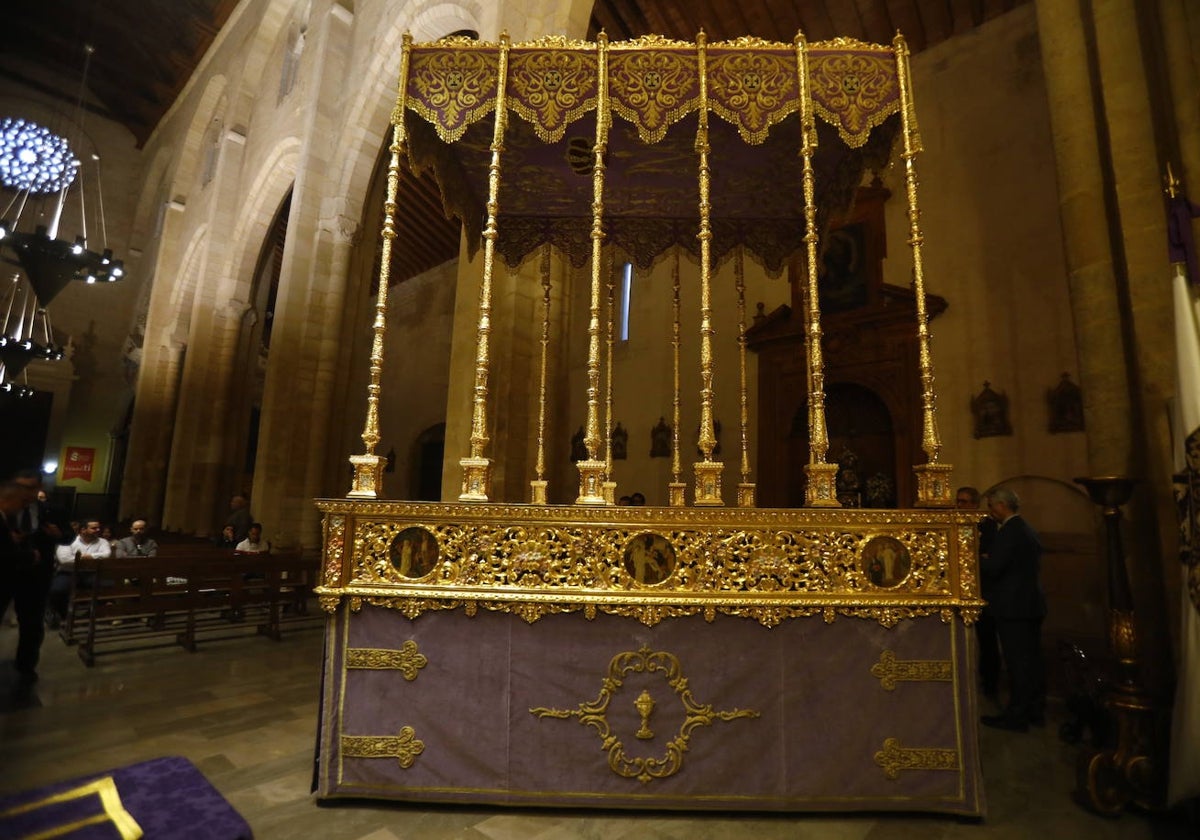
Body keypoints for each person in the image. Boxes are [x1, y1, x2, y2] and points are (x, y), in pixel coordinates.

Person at [979, 487, 1047, 731]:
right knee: (1031, 662)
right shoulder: (1026, 528)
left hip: (1014, 607)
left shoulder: (1010, 531)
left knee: (1018, 663)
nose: (990, 512)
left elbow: (994, 566)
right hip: (1029, 604)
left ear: (1001, 505)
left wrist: (977, 559)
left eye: (991, 506)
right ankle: (1034, 711)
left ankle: (1016, 716)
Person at [2, 470, 70, 685]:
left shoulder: (52, 510)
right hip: (5, 573)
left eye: (30, 487)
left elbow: (69, 537)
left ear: (40, 488)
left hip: (36, 576)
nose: (25, 492)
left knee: (32, 624)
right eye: (21, 487)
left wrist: (58, 535)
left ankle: (26, 667)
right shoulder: (7, 507)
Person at [957, 485, 1001, 702]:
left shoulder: (988, 525)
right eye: (959, 501)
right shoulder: (953, 523)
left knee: (987, 640)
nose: (962, 506)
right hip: (959, 592)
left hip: (985, 592)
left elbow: (986, 556)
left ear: (976, 504)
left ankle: (990, 684)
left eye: (966, 502)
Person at [48, 519, 113, 626]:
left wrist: (89, 556)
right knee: (57, 589)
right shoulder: (68, 540)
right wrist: (90, 559)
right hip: (69, 573)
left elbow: (106, 555)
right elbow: (64, 560)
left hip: (91, 573)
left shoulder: (103, 541)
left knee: (109, 586)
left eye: (98, 527)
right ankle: (63, 615)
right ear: (83, 530)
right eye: (94, 528)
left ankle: (90, 615)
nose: (98, 530)